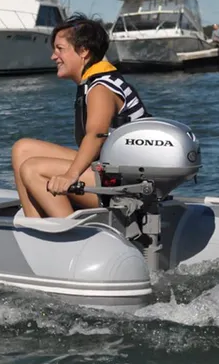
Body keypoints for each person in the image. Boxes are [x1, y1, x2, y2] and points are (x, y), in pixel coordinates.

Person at [11, 13, 150, 218]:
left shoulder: (101, 87)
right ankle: (36, 228)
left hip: (128, 184)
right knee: (22, 149)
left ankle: (69, 237)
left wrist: (70, 176)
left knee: (33, 169)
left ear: (83, 51)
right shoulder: (93, 81)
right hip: (110, 170)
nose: (53, 56)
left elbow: (96, 135)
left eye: (60, 49)